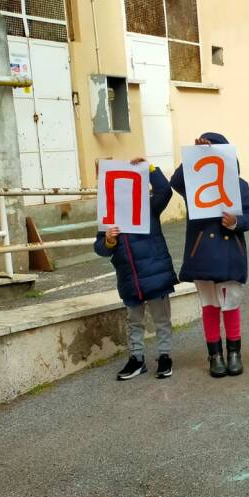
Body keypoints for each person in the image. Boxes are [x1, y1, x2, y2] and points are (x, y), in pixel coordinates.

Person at [173, 132, 249, 377]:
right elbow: (175, 182)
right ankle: (215, 355)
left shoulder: (239, 184)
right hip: (202, 253)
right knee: (210, 306)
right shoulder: (193, 182)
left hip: (230, 253)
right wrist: (195, 155)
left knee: (231, 304)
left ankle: (234, 352)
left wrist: (236, 221)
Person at [94, 158, 178, 380]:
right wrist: (109, 242)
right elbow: (100, 247)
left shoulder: (148, 207)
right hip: (129, 279)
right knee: (134, 321)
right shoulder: (108, 215)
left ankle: (164, 356)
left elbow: (165, 191)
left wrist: (150, 169)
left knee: (162, 319)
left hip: (155, 275)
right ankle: (137, 359)